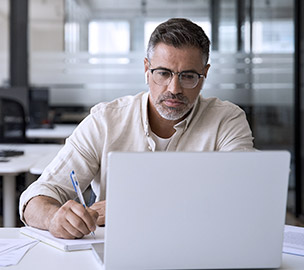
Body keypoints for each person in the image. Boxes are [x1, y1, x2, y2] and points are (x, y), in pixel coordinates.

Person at [19, 18, 254, 239]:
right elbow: (36, 197)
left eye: (188, 76)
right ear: (146, 69)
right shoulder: (105, 121)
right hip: (117, 247)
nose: (174, 88)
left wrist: (130, 206)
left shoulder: (227, 120)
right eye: (163, 73)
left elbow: (244, 195)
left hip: (199, 243)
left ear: (204, 75)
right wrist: (53, 218)